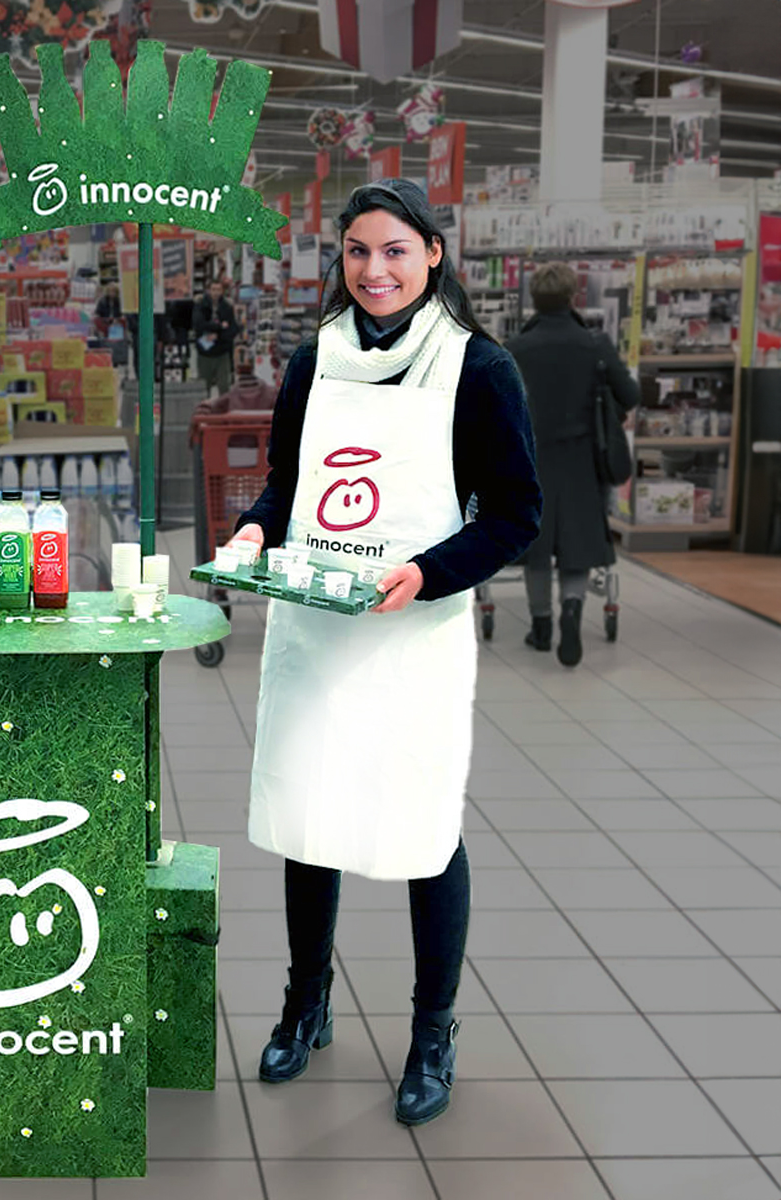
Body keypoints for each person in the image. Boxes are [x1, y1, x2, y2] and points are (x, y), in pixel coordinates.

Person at [229, 180, 541, 1127]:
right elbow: (287, 483)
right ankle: (306, 1000)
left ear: (433, 255)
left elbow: (518, 515)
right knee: (308, 818)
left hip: (413, 632)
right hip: (317, 624)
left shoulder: (478, 368)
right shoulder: (312, 361)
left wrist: (427, 571)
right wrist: (251, 531)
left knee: (420, 832)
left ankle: (432, 1029)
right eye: (359, 252)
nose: (375, 271)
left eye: (396, 251)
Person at [507, 262, 639, 667]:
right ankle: (572, 610)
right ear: (572, 298)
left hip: (530, 461)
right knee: (577, 544)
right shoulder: (594, 344)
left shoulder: (515, 348)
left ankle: (541, 625)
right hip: (582, 459)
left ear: (534, 301)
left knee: (536, 544)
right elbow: (629, 394)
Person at [192, 279, 240, 396]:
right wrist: (219, 326)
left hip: (222, 353)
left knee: (224, 387)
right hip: (205, 353)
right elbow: (198, 324)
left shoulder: (226, 307)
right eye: (213, 289)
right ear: (208, 290)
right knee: (204, 388)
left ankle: (224, 412)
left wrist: (217, 335)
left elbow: (233, 329)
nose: (216, 293)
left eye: (218, 290)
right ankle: (204, 412)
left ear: (222, 291)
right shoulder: (201, 305)